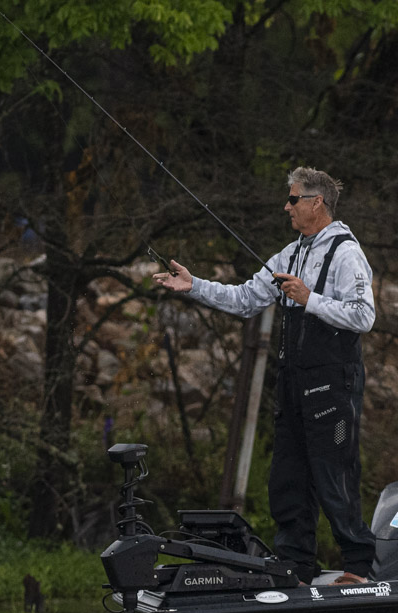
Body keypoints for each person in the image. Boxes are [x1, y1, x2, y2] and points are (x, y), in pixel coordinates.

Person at [154, 167, 376, 585]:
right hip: (292, 384)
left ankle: (358, 568)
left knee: (335, 474)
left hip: (334, 383)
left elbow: (364, 316)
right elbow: (244, 300)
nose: (286, 207)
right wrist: (193, 285)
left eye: (292, 199)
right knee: (288, 479)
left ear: (316, 203)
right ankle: (296, 567)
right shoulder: (289, 254)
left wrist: (309, 298)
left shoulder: (347, 254)